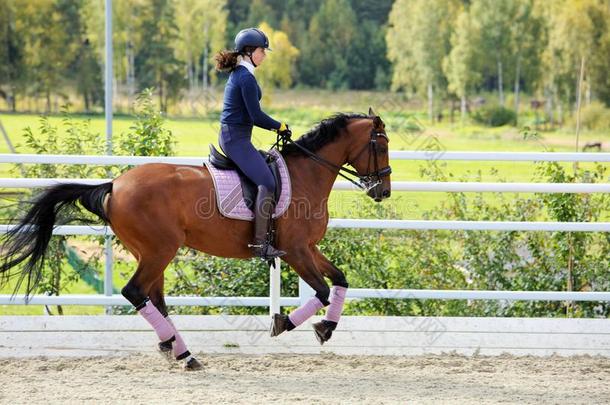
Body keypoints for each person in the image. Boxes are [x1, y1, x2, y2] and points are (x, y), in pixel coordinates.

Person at [214, 28, 290, 259]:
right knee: (267, 181)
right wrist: (280, 126)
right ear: (249, 52)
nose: (264, 55)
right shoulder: (245, 77)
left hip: (236, 137)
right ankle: (260, 244)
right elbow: (256, 116)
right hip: (235, 140)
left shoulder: (242, 73)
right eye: (262, 51)